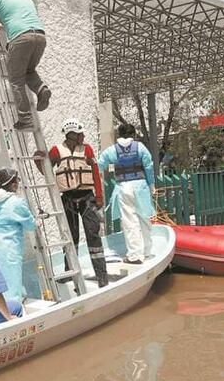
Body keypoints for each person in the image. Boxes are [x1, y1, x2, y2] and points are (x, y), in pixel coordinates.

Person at [0, 0, 51, 129]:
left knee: (16, 80)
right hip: (40, 37)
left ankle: (25, 119)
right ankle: (42, 90)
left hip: (20, 39)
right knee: (28, 71)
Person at [49, 118, 109, 287]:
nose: (83, 136)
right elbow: (46, 166)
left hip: (87, 198)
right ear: (72, 134)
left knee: (93, 235)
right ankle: (69, 272)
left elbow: (95, 171)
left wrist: (99, 197)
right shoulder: (56, 151)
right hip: (68, 198)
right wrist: (40, 158)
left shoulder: (87, 149)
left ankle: (101, 276)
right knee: (70, 237)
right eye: (80, 133)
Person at [97, 124, 157, 264]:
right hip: (140, 186)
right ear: (134, 134)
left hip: (123, 187)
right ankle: (147, 252)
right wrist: (151, 185)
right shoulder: (140, 148)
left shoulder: (111, 150)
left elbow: (99, 164)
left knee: (130, 222)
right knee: (144, 219)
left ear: (119, 135)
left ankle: (135, 255)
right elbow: (149, 166)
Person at [0, 168, 37, 303]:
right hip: (10, 246)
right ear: (12, 184)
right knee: (12, 280)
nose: (17, 183)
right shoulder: (16, 202)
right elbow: (30, 225)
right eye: (16, 181)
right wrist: (37, 222)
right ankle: (13, 311)